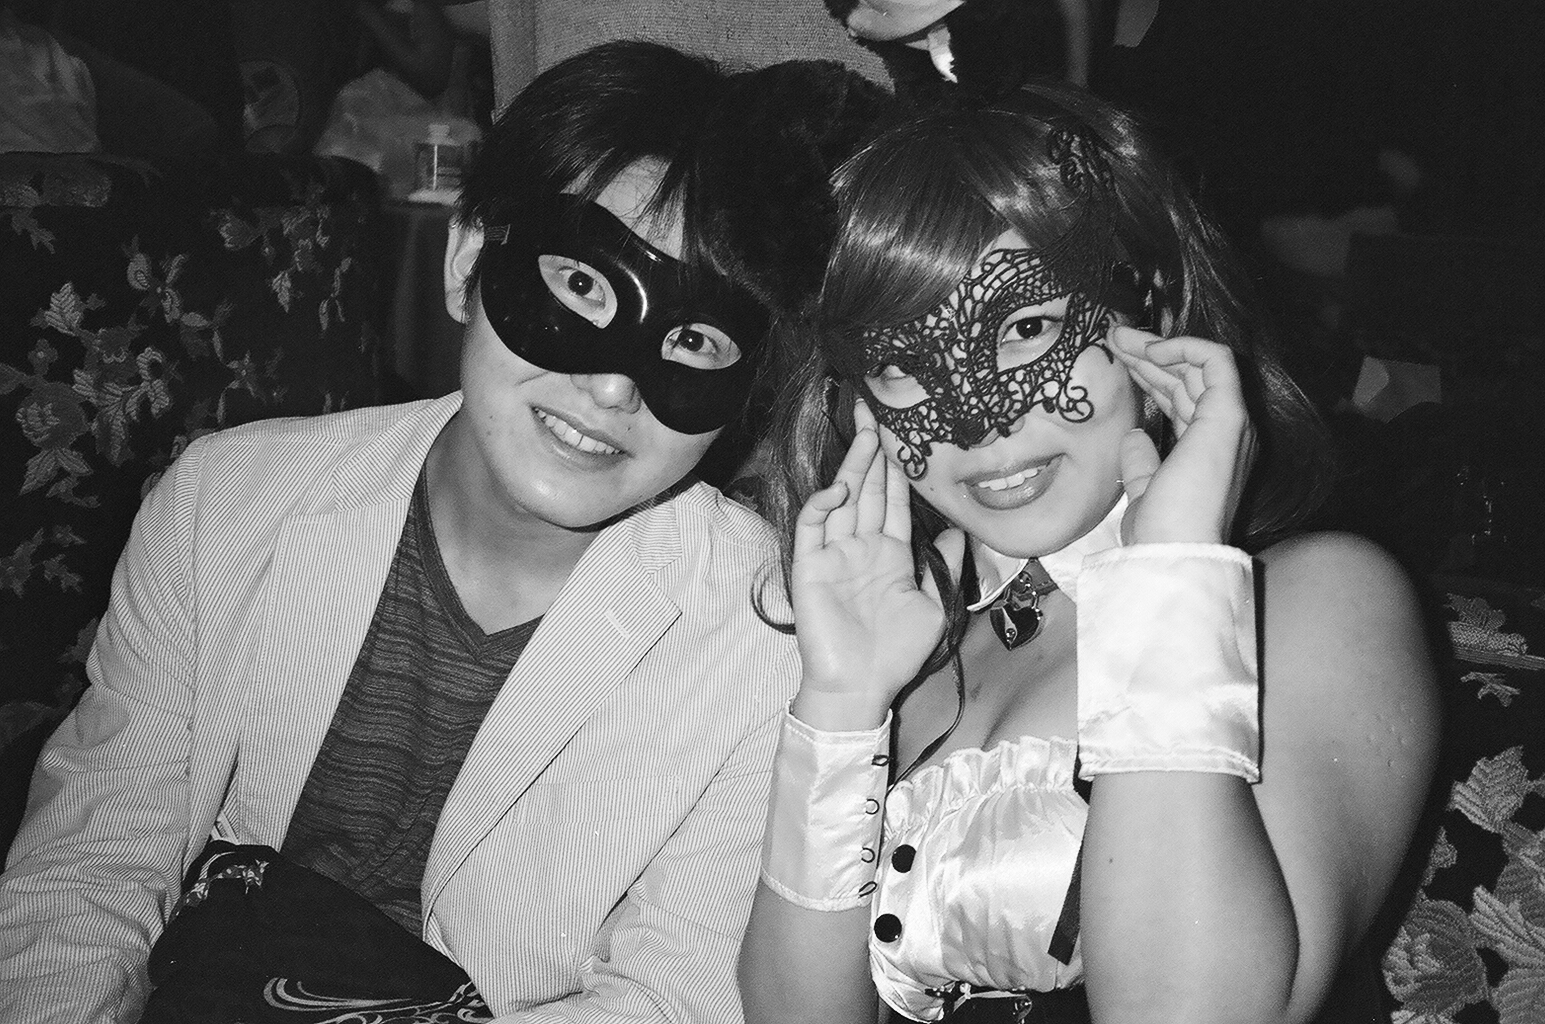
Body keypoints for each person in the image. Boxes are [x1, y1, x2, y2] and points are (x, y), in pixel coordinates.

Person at [0, 39, 890, 1023]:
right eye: (582, 287)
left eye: (694, 339)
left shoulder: (767, 637)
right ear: (469, 261)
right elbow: (87, 871)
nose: (610, 388)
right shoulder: (226, 505)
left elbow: (672, 998)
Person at [738, 81, 1439, 1024]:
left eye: (1025, 330)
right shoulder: (909, 647)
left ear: (1152, 312)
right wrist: (841, 701)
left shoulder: (1320, 603)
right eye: (902, 364)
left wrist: (1166, 573)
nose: (980, 427)